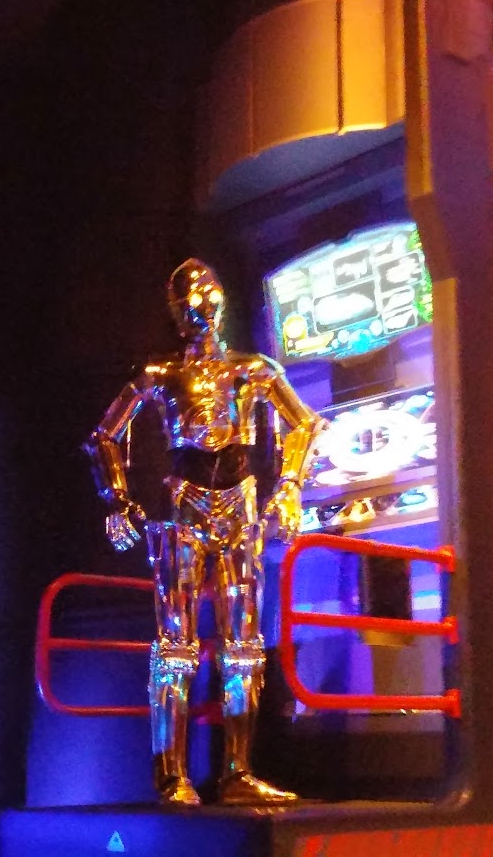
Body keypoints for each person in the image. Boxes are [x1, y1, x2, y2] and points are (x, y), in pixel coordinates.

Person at [85, 258, 323, 806]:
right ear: (174, 310)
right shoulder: (159, 373)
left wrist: (289, 485)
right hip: (182, 507)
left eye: (207, 292)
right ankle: (172, 777)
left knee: (244, 645)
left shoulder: (253, 369)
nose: (199, 304)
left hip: (240, 505)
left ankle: (238, 772)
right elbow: (103, 436)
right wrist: (116, 498)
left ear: (221, 299)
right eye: (187, 297)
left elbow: (305, 422)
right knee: (176, 644)